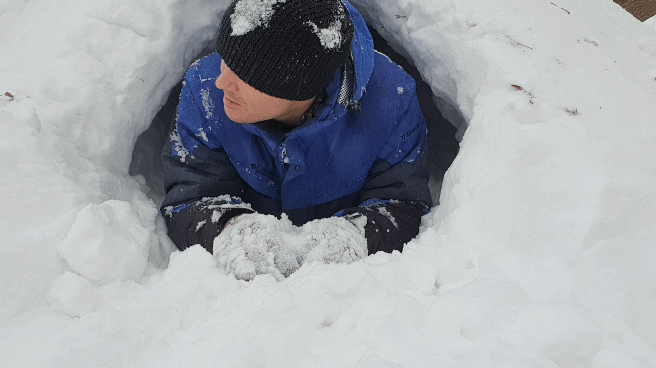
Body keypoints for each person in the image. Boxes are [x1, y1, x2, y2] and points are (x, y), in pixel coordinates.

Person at [160, 0, 432, 280]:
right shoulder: (206, 91)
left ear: (296, 86)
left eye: (244, 74)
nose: (222, 81)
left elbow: (404, 202)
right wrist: (232, 229)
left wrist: (354, 235)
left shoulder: (391, 101)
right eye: (226, 59)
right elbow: (189, 195)